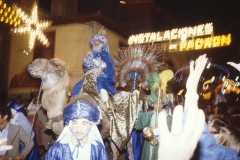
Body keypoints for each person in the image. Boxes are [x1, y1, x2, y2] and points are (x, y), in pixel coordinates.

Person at [158, 54, 239, 160]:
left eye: (216, 136)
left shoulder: (222, 155)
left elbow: (203, 142)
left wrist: (191, 89)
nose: (212, 138)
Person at [72, 32, 117, 101]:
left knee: (100, 82)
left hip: (102, 77)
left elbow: (110, 71)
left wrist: (103, 67)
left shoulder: (106, 56)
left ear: (102, 44)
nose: (96, 44)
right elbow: (86, 65)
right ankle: (72, 102)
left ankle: (106, 103)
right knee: (77, 86)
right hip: (90, 76)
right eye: (94, 43)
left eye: (98, 43)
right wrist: (91, 70)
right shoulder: (90, 55)